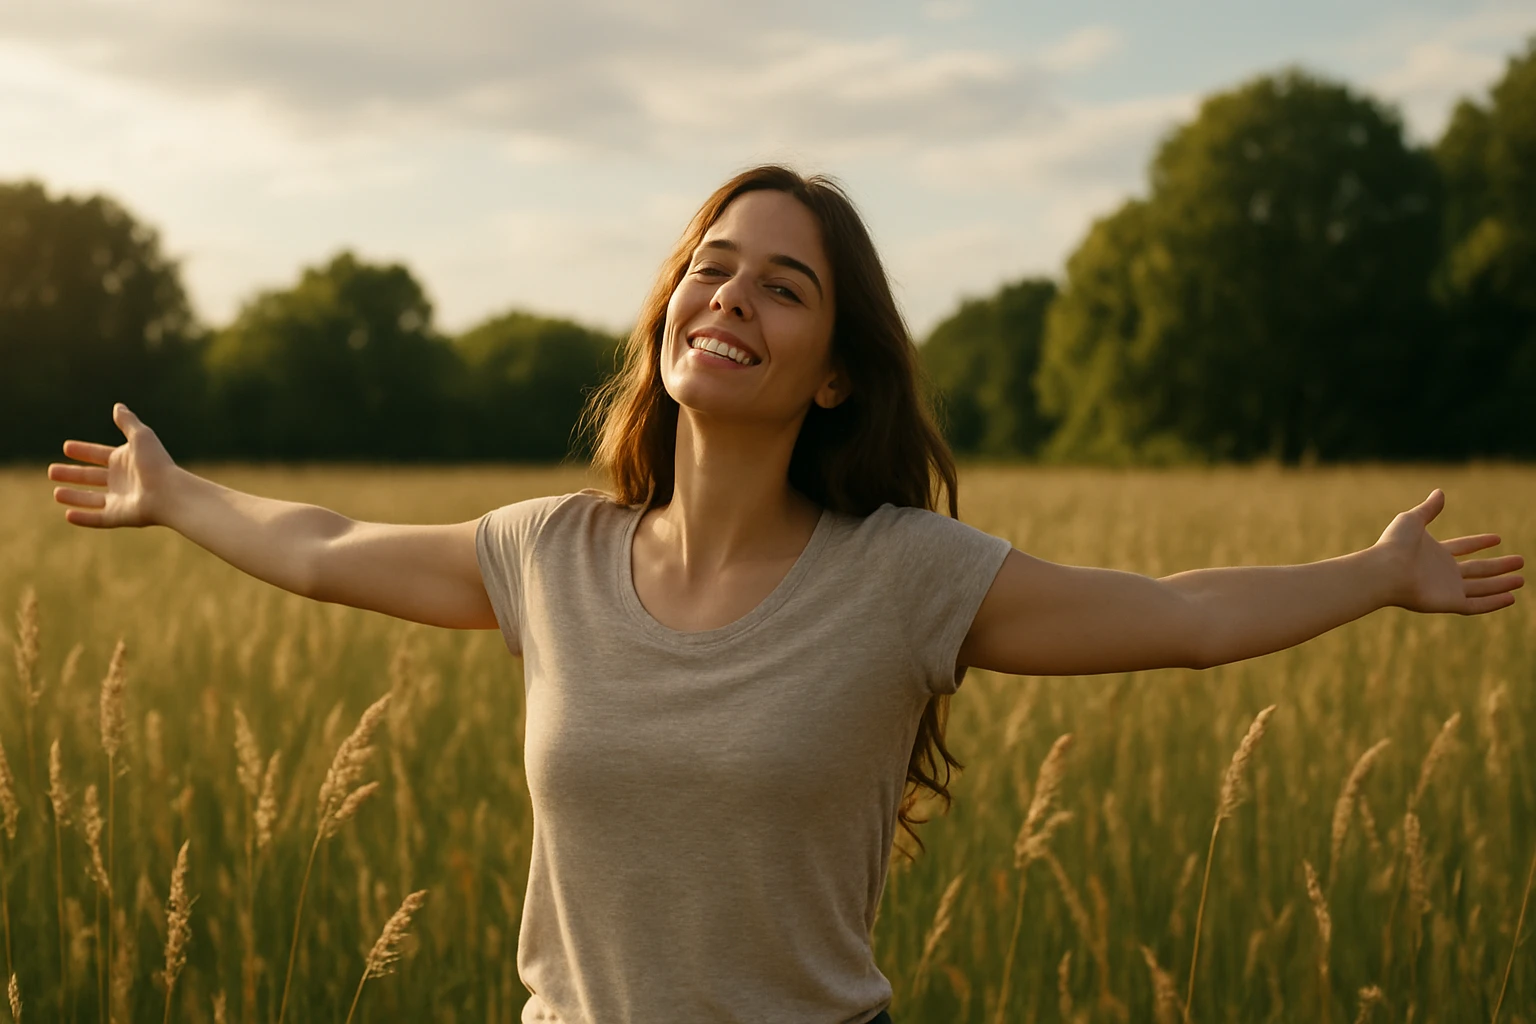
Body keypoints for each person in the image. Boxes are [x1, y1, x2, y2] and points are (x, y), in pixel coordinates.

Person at [47, 165, 1523, 1024]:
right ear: (671, 313)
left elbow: (1187, 618)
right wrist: (178, 496)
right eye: (712, 268)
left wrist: (1378, 574)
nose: (729, 299)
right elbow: (321, 541)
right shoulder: (547, 557)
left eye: (781, 286)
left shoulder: (906, 581)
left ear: (833, 376)